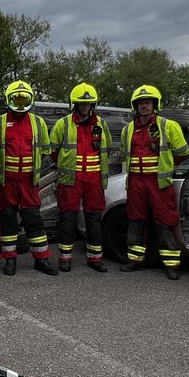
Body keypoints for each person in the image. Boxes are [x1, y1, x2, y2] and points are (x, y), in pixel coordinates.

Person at [119, 84, 189, 280]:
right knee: (135, 221)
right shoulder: (128, 130)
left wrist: (166, 168)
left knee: (165, 222)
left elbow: (183, 153)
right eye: (141, 103)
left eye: (147, 103)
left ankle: (171, 265)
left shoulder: (168, 126)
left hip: (158, 183)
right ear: (136, 106)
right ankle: (135, 260)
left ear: (154, 104)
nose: (144, 106)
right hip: (135, 181)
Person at [0, 80, 57, 276]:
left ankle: (42, 260)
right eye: (16, 100)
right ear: (9, 100)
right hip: (6, 183)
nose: (20, 105)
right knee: (8, 223)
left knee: (34, 221)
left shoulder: (37, 122)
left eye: (24, 101)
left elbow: (46, 149)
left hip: (29, 182)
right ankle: (10, 261)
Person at [50, 83, 113, 273]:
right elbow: (53, 150)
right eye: (81, 104)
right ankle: (65, 258)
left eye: (88, 104)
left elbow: (106, 149)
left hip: (93, 179)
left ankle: (95, 259)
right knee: (67, 217)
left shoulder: (101, 124)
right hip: (71, 180)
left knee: (93, 218)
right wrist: (66, 167)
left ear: (92, 105)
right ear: (74, 104)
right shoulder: (63, 124)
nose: (85, 107)